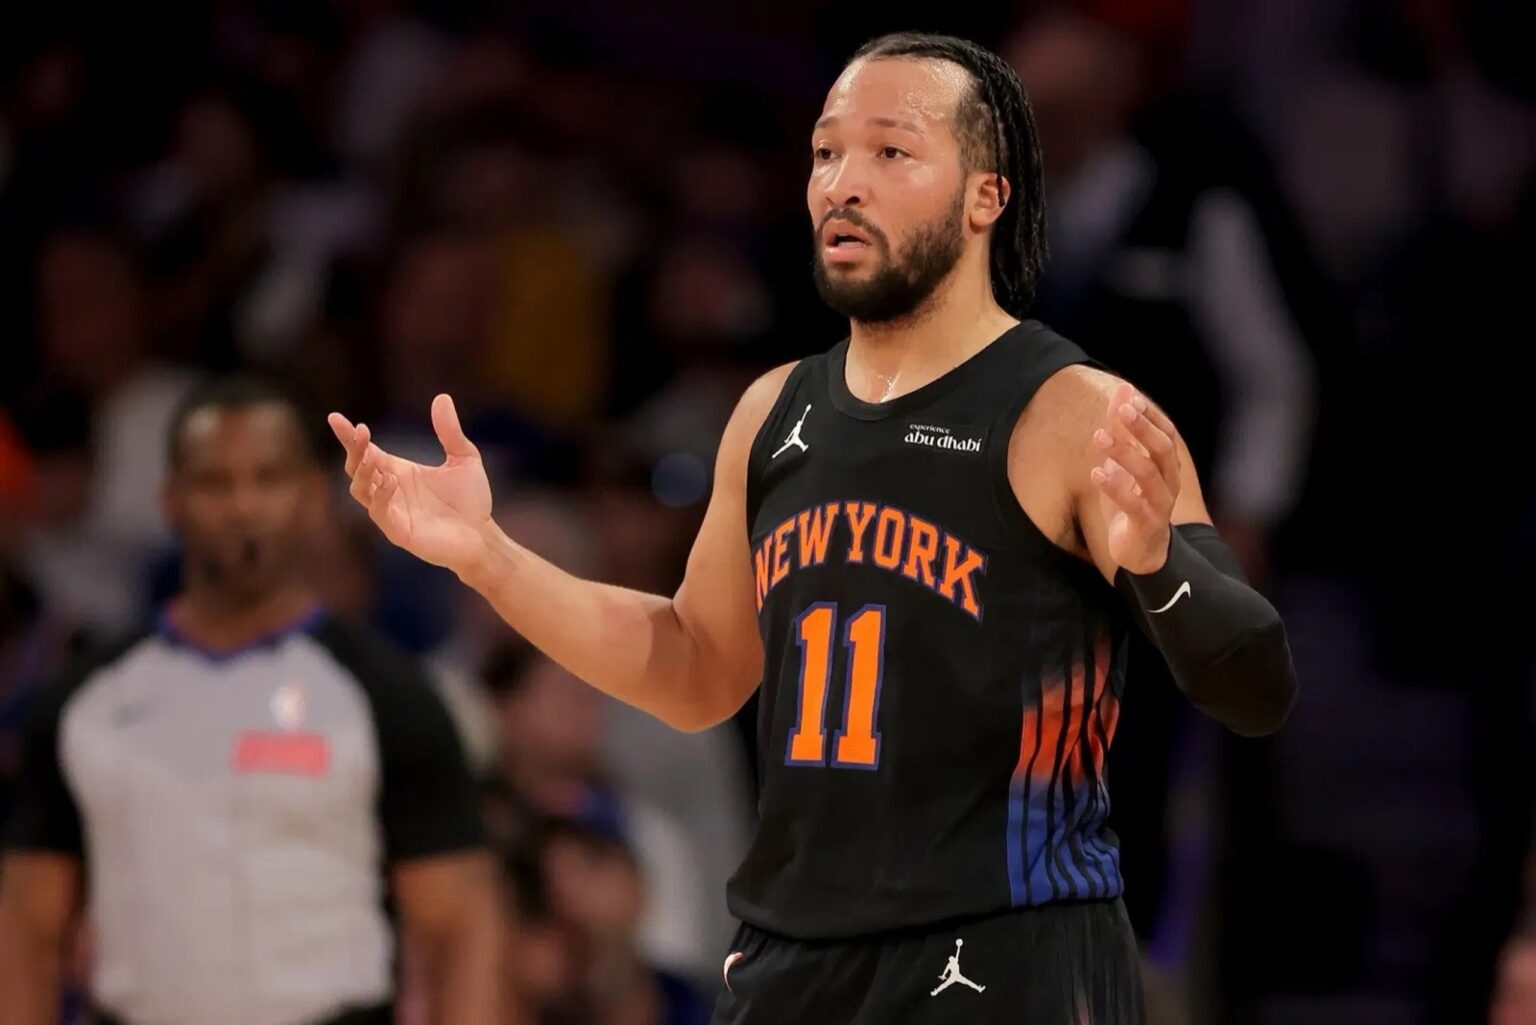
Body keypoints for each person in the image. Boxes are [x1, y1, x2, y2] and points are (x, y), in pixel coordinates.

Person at [329, 31, 1297, 1024]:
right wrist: (489, 558)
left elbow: (1256, 684)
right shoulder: (772, 412)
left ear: (985, 198)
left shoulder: (1083, 413)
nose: (844, 182)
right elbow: (698, 664)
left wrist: (1162, 572)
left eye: (891, 152)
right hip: (802, 959)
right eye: (828, 151)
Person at [0, 376, 503, 1025]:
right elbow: (28, 931)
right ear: (170, 500)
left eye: (268, 479)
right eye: (214, 482)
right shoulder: (84, 702)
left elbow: (462, 924)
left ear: (314, 498)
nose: (242, 506)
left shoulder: (387, 694)